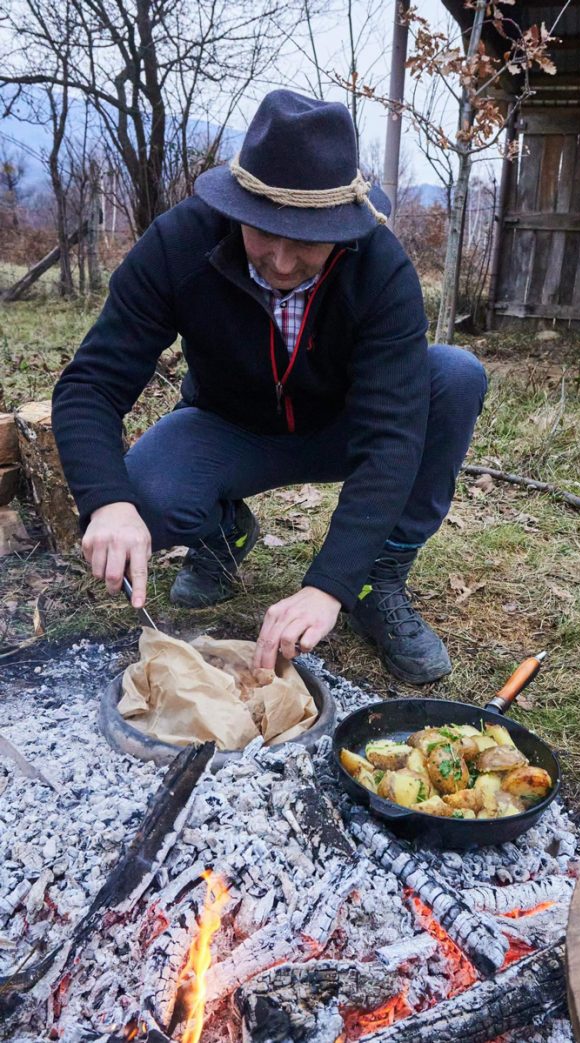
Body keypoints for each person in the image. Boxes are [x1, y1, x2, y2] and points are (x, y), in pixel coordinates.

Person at [52, 89, 487, 686]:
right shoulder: (179, 243)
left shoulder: (380, 266)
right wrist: (107, 500)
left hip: (345, 427)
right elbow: (91, 383)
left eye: (305, 240)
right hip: (229, 427)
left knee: (455, 376)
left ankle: (375, 579)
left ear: (344, 226)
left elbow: (392, 438)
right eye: (262, 232)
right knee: (146, 494)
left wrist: (326, 584)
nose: (280, 262)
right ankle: (222, 533)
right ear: (236, 207)